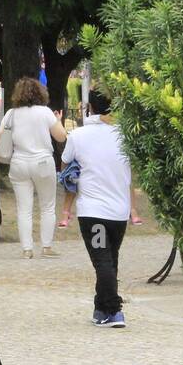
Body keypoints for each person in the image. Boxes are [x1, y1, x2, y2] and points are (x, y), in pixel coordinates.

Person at [60, 87, 132, 328]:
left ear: (89, 107)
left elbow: (65, 166)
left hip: (93, 211)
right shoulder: (126, 135)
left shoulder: (78, 136)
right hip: (119, 210)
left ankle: (114, 310)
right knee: (110, 259)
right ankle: (101, 307)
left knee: (103, 261)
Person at [0, 76, 66, 258]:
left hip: (19, 163)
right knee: (47, 206)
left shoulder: (11, 114)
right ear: (40, 93)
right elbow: (61, 137)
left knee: (24, 208)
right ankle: (46, 247)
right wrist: (58, 120)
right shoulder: (45, 112)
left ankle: (27, 249)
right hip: (43, 162)